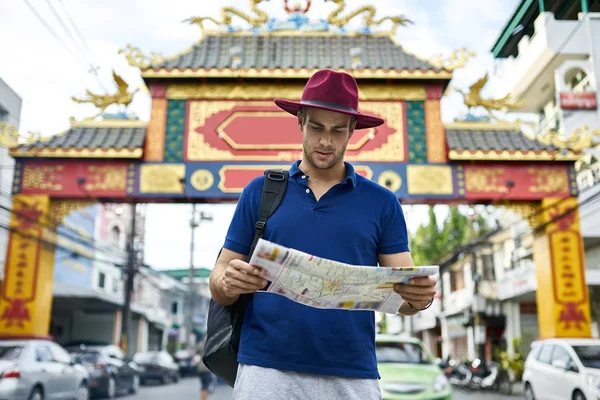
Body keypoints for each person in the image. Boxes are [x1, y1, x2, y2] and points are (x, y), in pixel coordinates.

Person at [209, 69, 438, 400]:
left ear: (352, 132)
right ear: (300, 120)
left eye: (337, 130)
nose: (326, 141)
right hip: (265, 369)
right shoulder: (260, 192)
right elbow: (219, 279)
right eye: (316, 127)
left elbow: (402, 296)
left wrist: (419, 298)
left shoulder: (382, 203)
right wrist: (229, 281)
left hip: (352, 374)